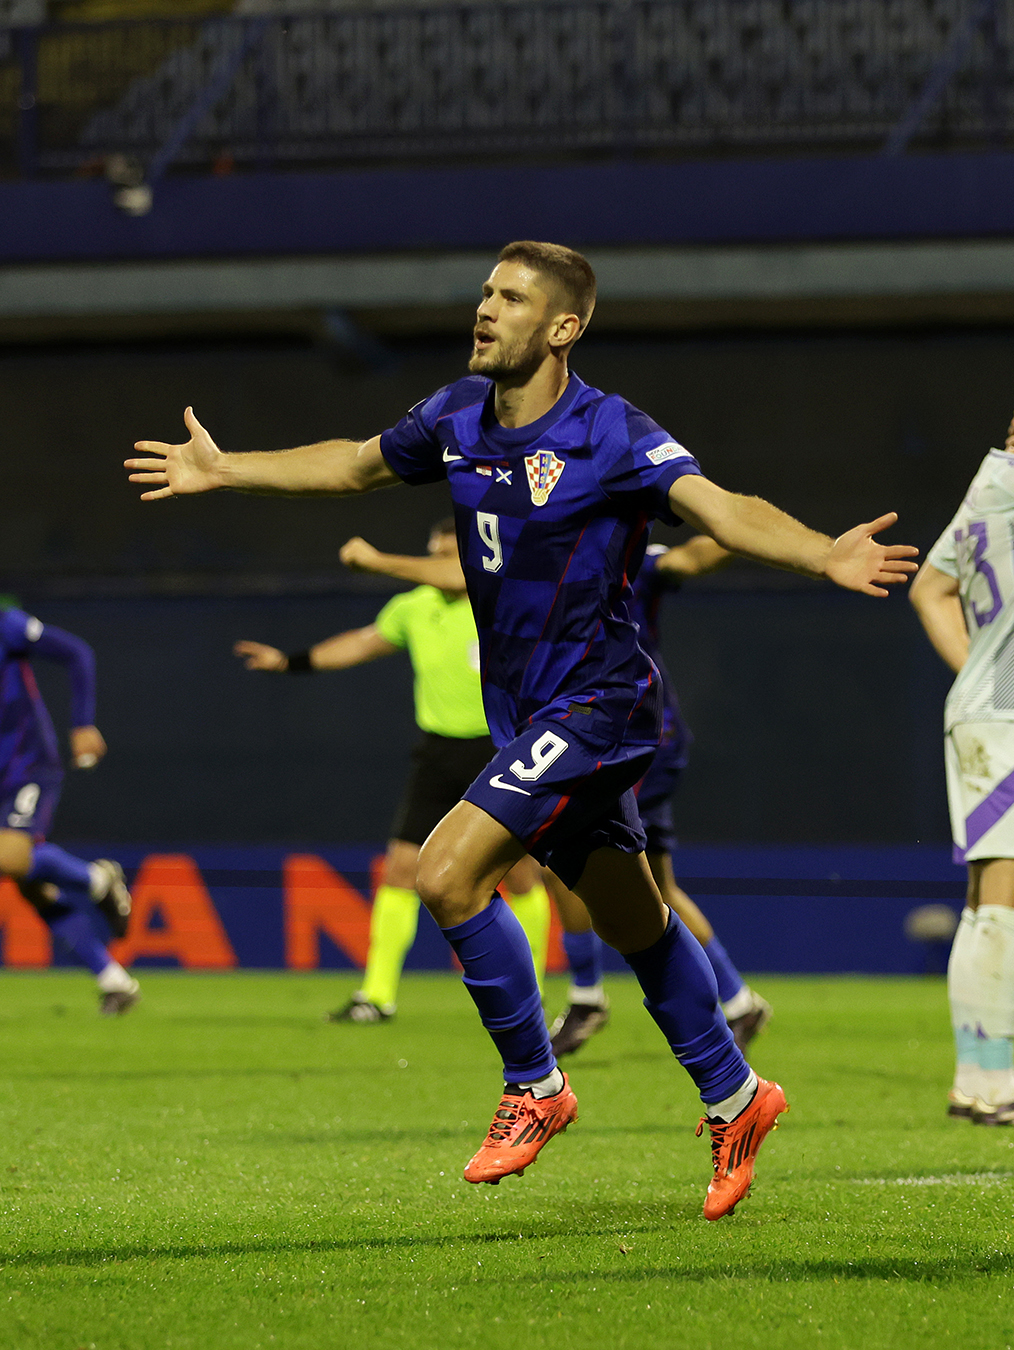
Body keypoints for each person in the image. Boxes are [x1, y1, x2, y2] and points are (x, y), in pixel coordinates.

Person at [127, 239, 917, 1219]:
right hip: (527, 716)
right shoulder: (456, 418)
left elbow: (721, 506)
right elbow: (353, 464)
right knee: (633, 921)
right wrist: (227, 468)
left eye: (510, 298)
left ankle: (536, 1088)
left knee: (446, 871)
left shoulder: (611, 433)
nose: (485, 310)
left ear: (562, 328)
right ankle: (738, 1096)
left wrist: (819, 554)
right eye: (485, 293)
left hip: (600, 703)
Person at [233, 519, 550, 1020]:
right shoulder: (413, 608)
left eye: (449, 551)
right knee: (401, 870)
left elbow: (456, 576)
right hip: (438, 754)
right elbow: (360, 643)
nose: (438, 561)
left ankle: (529, 990)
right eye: (433, 549)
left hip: (500, 750)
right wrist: (289, 662)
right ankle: (377, 996)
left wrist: (378, 561)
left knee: (521, 873)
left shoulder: (494, 596)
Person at [909, 363, 1014, 1127]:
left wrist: (974, 668)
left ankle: (977, 1080)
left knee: (987, 904)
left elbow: (930, 588)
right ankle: (993, 1087)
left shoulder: (999, 486)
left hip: (993, 708)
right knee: (1010, 902)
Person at [547, 537, 772, 1057]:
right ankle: (739, 1002)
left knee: (556, 857)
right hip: (619, 737)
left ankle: (586, 997)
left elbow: (691, 557)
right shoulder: (550, 563)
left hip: (636, 740)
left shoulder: (628, 560)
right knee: (658, 885)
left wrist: (738, 525)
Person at [0, 598, 138, 1014]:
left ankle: (96, 879)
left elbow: (76, 652)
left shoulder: (6, 626)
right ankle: (114, 979)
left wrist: (82, 722)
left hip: (27, 765)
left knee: (9, 856)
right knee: (31, 886)